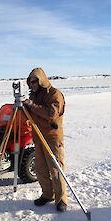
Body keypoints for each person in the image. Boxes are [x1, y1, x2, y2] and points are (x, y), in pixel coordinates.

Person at [23, 67, 68, 212]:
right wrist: (25, 109)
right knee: (40, 169)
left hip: (52, 138)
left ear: (41, 80)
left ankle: (61, 199)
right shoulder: (35, 96)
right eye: (31, 82)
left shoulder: (54, 94)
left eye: (35, 81)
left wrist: (32, 105)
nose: (33, 84)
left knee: (55, 169)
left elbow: (51, 114)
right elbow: (31, 117)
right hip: (38, 137)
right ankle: (47, 194)